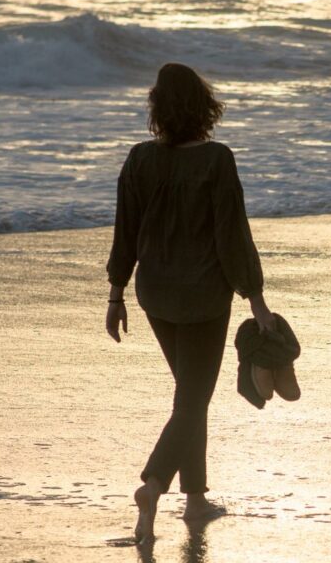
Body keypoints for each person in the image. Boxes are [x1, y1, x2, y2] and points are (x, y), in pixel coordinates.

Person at [104, 62, 275, 544]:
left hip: (156, 296)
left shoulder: (139, 160)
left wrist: (116, 294)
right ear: (204, 107)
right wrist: (256, 301)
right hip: (203, 298)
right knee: (194, 398)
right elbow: (232, 237)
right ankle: (153, 484)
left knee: (189, 396)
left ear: (157, 109)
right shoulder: (217, 160)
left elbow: (126, 235)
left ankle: (196, 499)